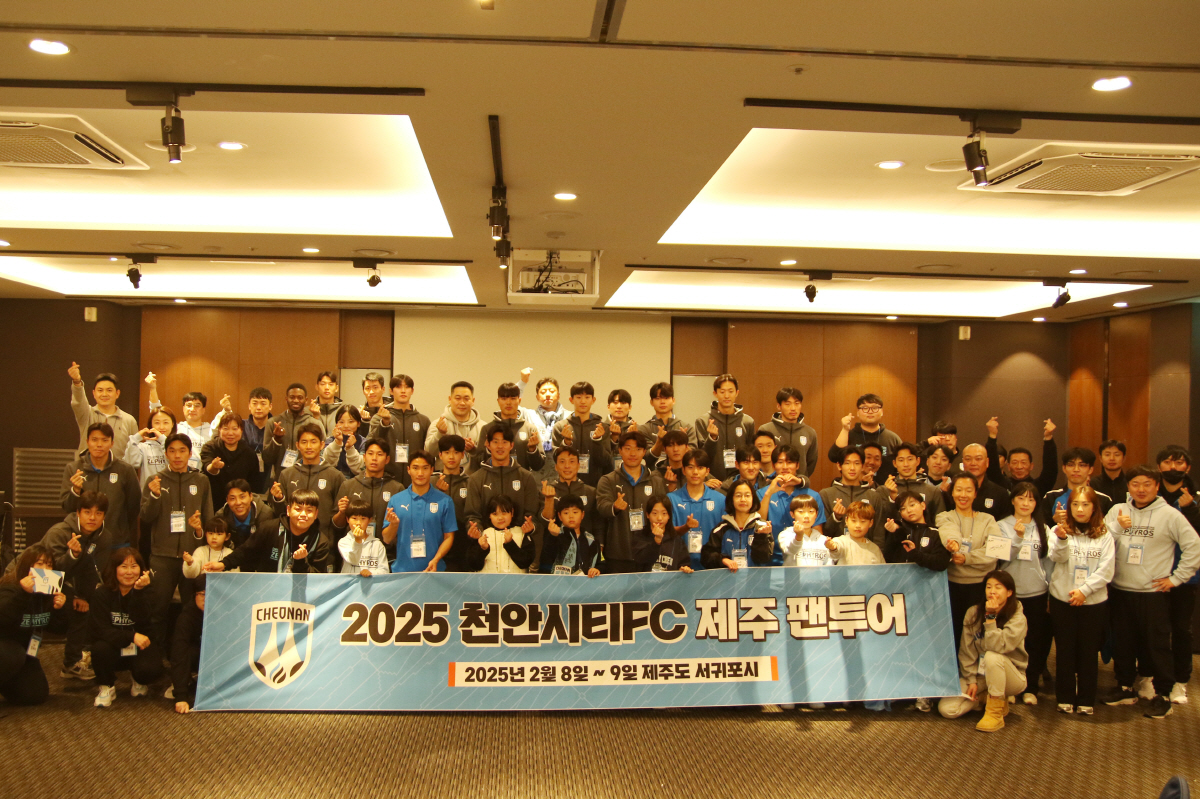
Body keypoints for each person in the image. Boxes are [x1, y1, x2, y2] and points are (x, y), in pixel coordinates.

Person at [1103, 466, 1200, 719]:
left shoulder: (1170, 515)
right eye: (1135, 484)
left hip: (1153, 592)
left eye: (1147, 484)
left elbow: (1194, 546)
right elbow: (1099, 540)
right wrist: (1116, 526)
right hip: (1121, 589)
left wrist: (1176, 578)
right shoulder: (1117, 510)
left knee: (1157, 645)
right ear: (1128, 486)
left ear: (1157, 486)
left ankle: (1163, 694)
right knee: (1123, 643)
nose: (1141, 489)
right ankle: (1125, 687)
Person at [1047, 486, 1115, 715]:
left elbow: (1106, 570)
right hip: (1062, 599)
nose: (1080, 509)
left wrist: (1084, 591)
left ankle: (1086, 699)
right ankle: (1065, 697)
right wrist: (1062, 539)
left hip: (1093, 602)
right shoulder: (1058, 530)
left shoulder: (1105, 534)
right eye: (1075, 504)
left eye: (1085, 504)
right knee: (1065, 650)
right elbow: (1056, 558)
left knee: (1088, 651)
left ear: (1094, 507)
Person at [141, 432, 213, 646]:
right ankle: (154, 656)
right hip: (161, 556)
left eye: (182, 450)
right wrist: (154, 496)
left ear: (190, 453)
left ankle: (189, 656)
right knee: (157, 610)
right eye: (172, 451)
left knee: (192, 609)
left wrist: (199, 533)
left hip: (192, 557)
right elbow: (145, 517)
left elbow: (208, 520)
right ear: (165, 454)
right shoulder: (155, 481)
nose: (177, 455)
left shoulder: (201, 480)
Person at [937, 570, 1028, 732]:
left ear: (1009, 592)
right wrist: (971, 679)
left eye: (998, 587)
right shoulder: (973, 613)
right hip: (981, 675)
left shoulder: (1018, 618)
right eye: (988, 586)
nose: (992, 591)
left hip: (1011, 678)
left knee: (992, 657)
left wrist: (991, 618)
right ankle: (985, 698)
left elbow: (997, 647)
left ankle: (995, 714)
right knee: (948, 709)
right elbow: (966, 650)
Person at [43, 491, 112, 681]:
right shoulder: (59, 532)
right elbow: (50, 571)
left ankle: (71, 664)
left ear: (104, 516)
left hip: (68, 584)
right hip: (38, 580)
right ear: (78, 513)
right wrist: (72, 555)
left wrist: (82, 597)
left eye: (98, 513)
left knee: (85, 608)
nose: (92, 518)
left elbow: (93, 571)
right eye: (87, 512)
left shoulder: (104, 537)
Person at [995, 482, 1053, 704]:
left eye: (1031, 499)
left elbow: (1048, 563)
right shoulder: (1001, 525)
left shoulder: (1043, 528)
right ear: (1013, 500)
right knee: (1009, 642)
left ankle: (1031, 687)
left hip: (1037, 592)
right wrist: (1018, 538)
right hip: (1010, 595)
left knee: (1035, 642)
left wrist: (1050, 591)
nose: (1026, 503)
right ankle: (1010, 687)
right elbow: (1000, 557)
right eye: (1021, 498)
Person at [84, 548, 163, 708]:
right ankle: (106, 686)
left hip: (140, 646)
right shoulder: (102, 594)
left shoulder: (149, 592)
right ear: (114, 569)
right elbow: (100, 630)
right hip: (112, 645)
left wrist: (138, 592)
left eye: (134, 566)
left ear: (141, 569)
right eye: (124, 566)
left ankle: (138, 679)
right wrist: (130, 636)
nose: (129, 572)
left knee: (151, 670)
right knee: (99, 649)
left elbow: (145, 623)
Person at [1155, 446, 1200, 705]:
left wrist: (1191, 508)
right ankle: (1151, 677)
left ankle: (1181, 681)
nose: (1173, 467)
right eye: (1168, 462)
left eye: (1179, 462)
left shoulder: (1196, 497)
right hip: (1153, 574)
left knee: (1181, 630)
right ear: (1159, 466)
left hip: (1185, 576)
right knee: (1154, 629)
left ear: (1188, 468)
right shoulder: (1149, 495)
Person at [938, 472, 1001, 649]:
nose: (963, 495)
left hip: (980, 586)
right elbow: (948, 531)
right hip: (951, 585)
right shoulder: (945, 516)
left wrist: (967, 557)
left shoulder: (988, 520)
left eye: (968, 490)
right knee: (953, 633)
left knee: (977, 634)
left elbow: (995, 551)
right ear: (952, 492)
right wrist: (954, 544)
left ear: (975, 493)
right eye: (958, 490)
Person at [0, 543, 66, 705]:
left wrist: (59, 609)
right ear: (27, 566)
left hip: (25, 650)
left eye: (49, 565)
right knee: (13, 655)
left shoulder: (48, 593)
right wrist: (23, 594)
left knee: (35, 694)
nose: (45, 569)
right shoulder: (10, 587)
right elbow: (3, 620)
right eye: (40, 564)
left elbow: (60, 630)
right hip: (5, 646)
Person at [205, 489, 331, 574]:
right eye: (298, 509)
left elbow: (317, 579)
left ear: (316, 514)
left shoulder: (321, 541)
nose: (303, 514)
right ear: (288, 510)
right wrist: (223, 564)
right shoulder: (269, 528)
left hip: (300, 598)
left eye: (309, 510)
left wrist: (301, 561)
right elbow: (246, 551)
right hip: (267, 591)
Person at [597, 431, 668, 574]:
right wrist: (614, 507)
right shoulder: (608, 480)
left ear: (644, 452)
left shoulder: (656, 481)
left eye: (638, 449)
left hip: (649, 551)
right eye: (628, 448)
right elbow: (601, 507)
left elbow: (665, 512)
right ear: (620, 450)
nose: (633, 453)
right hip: (618, 554)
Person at [61, 422, 141, 549]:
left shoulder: (125, 470)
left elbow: (134, 507)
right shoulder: (73, 469)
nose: (99, 444)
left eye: (104, 440)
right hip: (82, 541)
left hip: (116, 542)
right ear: (87, 442)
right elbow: (67, 507)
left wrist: (120, 528)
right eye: (94, 440)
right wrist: (75, 491)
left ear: (112, 443)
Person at [383, 450, 457, 572]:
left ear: (432, 470)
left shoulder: (445, 501)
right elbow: (386, 539)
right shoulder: (396, 500)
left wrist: (436, 559)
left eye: (425, 468)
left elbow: (449, 537)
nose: (420, 473)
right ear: (408, 470)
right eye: (415, 468)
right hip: (402, 571)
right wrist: (394, 524)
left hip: (434, 570)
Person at [534, 446, 603, 574]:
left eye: (571, 462)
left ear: (578, 465)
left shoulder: (591, 491)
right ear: (556, 466)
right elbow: (544, 522)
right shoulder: (548, 490)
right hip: (555, 556)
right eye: (562, 462)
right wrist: (549, 499)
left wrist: (600, 546)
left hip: (584, 553)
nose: (567, 466)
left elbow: (598, 524)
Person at [330, 439, 403, 560]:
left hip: (386, 554)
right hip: (354, 552)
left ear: (387, 459)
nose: (374, 458)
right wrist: (342, 512)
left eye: (379, 454)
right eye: (370, 453)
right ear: (364, 457)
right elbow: (337, 525)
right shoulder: (348, 486)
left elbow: (400, 527)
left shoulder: (396, 488)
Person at [269, 423, 345, 534]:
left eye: (313, 442)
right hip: (292, 537)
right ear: (298, 445)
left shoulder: (335, 476)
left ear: (322, 445)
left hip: (324, 538)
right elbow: (281, 515)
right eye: (304, 442)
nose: (309, 446)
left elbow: (338, 517)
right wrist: (279, 499)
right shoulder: (286, 475)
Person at [758, 446, 825, 566]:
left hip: (804, 559)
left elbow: (817, 532)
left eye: (789, 462)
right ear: (773, 465)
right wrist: (768, 494)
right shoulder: (762, 493)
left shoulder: (812, 495)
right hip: (770, 559)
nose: (785, 467)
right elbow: (759, 523)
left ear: (797, 465)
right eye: (780, 462)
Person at [465, 424, 540, 532]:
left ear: (511, 445)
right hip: (486, 540)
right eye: (495, 442)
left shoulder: (526, 477)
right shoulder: (476, 479)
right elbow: (472, 516)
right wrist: (477, 531)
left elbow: (532, 514)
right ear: (488, 444)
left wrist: (530, 526)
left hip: (519, 538)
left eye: (504, 442)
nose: (500, 446)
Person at [691, 373, 755, 482]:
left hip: (741, 481)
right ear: (715, 393)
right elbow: (700, 457)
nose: (726, 396)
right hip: (712, 482)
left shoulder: (747, 422)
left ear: (737, 393)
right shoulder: (703, 421)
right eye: (722, 392)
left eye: (730, 391)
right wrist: (712, 439)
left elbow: (751, 455)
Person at [818, 446, 887, 546]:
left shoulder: (873, 496)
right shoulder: (826, 494)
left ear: (862, 466)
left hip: (866, 552)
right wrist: (835, 518)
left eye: (857, 463)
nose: (852, 468)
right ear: (839, 466)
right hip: (835, 551)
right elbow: (822, 533)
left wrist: (877, 553)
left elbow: (878, 534)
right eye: (847, 463)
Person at [370, 374, 431, 485]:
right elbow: (371, 444)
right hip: (386, 480)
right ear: (391, 391)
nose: (403, 391)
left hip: (415, 479)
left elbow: (428, 452)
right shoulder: (379, 417)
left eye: (407, 387)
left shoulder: (423, 420)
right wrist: (384, 423)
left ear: (412, 391)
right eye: (398, 387)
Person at [668, 450, 724, 570]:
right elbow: (668, 534)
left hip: (713, 567)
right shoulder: (671, 499)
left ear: (707, 471)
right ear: (683, 470)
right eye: (690, 467)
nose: (695, 472)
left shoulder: (720, 500)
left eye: (700, 467)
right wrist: (685, 527)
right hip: (680, 567)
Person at [68, 361, 138, 455]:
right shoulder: (87, 414)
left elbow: (134, 452)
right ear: (94, 393)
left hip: (118, 465)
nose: (104, 394)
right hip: (88, 464)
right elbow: (79, 401)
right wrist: (77, 382)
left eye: (109, 390)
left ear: (117, 393)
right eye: (100, 390)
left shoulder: (129, 420)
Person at [701, 479, 773, 571]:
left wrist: (761, 537)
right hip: (727, 579)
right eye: (738, 495)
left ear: (753, 498)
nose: (743, 499)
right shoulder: (721, 529)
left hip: (756, 579)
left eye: (747, 495)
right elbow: (706, 557)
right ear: (731, 499)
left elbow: (764, 559)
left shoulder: (762, 527)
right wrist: (722, 560)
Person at [551, 381, 612, 487]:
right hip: (567, 485)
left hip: (595, 484)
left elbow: (606, 462)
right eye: (578, 397)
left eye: (587, 397)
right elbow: (556, 459)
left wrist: (597, 441)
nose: (583, 401)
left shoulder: (602, 427)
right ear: (571, 400)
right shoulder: (561, 427)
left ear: (593, 400)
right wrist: (566, 443)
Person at [213, 387, 274, 489]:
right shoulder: (240, 426)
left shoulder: (276, 427)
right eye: (254, 403)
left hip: (270, 477)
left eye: (263, 403)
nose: (258, 407)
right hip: (243, 477)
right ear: (249, 406)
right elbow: (217, 435)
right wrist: (227, 411)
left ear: (270, 406)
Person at [262, 383, 324, 481]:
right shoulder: (273, 422)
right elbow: (267, 459)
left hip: (309, 479)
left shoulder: (315, 423)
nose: (296, 400)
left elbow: (322, 454)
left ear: (306, 400)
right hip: (280, 478)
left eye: (300, 398)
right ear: (286, 399)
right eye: (292, 397)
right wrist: (276, 440)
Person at [200, 412, 262, 506]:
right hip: (213, 501)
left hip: (240, 504)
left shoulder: (249, 453)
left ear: (241, 430)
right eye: (226, 429)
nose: (230, 433)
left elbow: (254, 483)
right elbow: (207, 468)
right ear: (219, 430)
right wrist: (214, 467)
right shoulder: (210, 447)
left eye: (235, 429)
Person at [985, 416, 1058, 495]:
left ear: (1031, 466)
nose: (1019, 467)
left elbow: (1050, 470)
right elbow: (992, 468)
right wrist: (992, 435)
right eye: (1015, 462)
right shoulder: (1001, 485)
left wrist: (1048, 438)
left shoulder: (1039, 486)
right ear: (1008, 466)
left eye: (1023, 462)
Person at [756, 387, 819, 477]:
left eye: (797, 403)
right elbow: (758, 457)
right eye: (787, 404)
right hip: (771, 482)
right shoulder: (766, 429)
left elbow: (811, 463)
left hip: (798, 482)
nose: (793, 408)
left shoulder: (810, 433)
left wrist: (801, 479)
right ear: (779, 406)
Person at [883, 491, 952, 572]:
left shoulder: (935, 532)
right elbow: (887, 558)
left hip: (928, 579)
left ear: (923, 505)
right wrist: (896, 531)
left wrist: (916, 555)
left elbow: (942, 563)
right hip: (901, 578)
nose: (908, 510)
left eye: (912, 505)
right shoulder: (899, 531)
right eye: (903, 509)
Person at [435, 436, 476, 572]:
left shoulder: (471, 482)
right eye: (447, 452)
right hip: (436, 544)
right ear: (440, 455)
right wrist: (438, 493)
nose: (451, 457)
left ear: (463, 455)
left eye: (456, 452)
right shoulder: (431, 482)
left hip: (463, 546)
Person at [425, 381, 484, 472]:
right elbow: (429, 453)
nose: (462, 403)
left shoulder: (482, 427)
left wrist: (473, 450)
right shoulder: (438, 424)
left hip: (473, 479)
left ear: (473, 401)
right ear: (450, 399)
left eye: (466, 399)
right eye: (458, 398)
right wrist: (439, 434)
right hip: (444, 479)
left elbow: (487, 459)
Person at [1043, 447, 1112, 525]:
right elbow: (1041, 527)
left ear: (1090, 469)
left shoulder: (1103, 499)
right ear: (1064, 468)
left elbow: (1109, 529)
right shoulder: (1051, 497)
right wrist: (1054, 521)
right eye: (1071, 465)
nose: (1076, 469)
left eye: (1082, 465)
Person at [828, 393, 902, 464]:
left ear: (882, 411)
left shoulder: (892, 438)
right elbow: (834, 457)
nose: (870, 411)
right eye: (865, 408)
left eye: (875, 408)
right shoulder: (848, 436)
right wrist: (845, 429)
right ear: (858, 412)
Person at [471, 495, 536, 574]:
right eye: (495, 514)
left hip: (516, 580)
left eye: (504, 513)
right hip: (488, 581)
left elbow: (526, 562)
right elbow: (474, 565)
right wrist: (483, 549)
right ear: (489, 516)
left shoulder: (522, 533)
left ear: (512, 512)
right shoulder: (483, 535)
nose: (500, 518)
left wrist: (510, 544)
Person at [170, 575, 206, 713]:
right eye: (203, 594)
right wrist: (180, 696)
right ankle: (182, 682)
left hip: (217, 658)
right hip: (196, 656)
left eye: (212, 594)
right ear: (194, 595)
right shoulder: (186, 617)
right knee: (186, 652)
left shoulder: (227, 613)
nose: (207, 599)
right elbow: (179, 653)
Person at [541, 495, 601, 577]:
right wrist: (554, 536)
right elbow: (546, 559)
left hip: (585, 583)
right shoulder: (555, 535)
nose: (571, 516)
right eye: (566, 513)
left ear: (582, 514)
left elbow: (601, 563)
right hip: (558, 582)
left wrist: (596, 569)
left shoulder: (592, 540)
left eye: (575, 512)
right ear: (560, 516)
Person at [889, 442, 945, 524]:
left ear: (918, 461)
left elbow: (941, 521)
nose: (906, 464)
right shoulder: (884, 490)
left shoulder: (933, 491)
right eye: (901, 460)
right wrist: (892, 499)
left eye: (910, 459)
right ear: (894, 463)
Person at [215, 479, 276, 556]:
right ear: (227, 500)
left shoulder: (265, 515)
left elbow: (269, 547)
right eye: (232, 498)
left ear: (251, 496)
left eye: (242, 497)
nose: (238, 502)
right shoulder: (221, 517)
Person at [633, 494, 693, 572]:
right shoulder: (639, 537)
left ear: (669, 516)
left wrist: (683, 569)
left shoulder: (676, 540)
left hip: (669, 580)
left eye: (664, 513)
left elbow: (684, 564)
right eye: (655, 513)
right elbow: (640, 560)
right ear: (648, 515)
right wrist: (656, 542)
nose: (659, 518)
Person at [123, 405, 177, 489]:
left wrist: (163, 439)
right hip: (148, 493)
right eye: (157, 423)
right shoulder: (144, 447)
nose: (161, 427)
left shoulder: (178, 446)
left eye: (166, 422)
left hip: (172, 492)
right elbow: (131, 463)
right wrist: (135, 438)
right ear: (151, 425)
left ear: (172, 424)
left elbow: (174, 462)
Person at [958, 443, 1013, 521]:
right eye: (968, 459)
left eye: (978, 459)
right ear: (963, 462)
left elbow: (1005, 524)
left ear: (987, 462)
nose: (973, 463)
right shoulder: (953, 491)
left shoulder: (1000, 494)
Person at [523, 374, 568, 467]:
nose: (547, 394)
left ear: (558, 395)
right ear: (537, 397)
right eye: (543, 392)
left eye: (552, 391)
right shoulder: (529, 415)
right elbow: (511, 402)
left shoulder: (569, 417)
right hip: (537, 468)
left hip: (564, 469)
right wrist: (522, 382)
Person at [779, 494, 833, 567]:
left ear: (816, 514)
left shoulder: (823, 539)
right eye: (801, 512)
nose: (806, 516)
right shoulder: (786, 535)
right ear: (792, 514)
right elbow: (791, 550)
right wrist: (798, 536)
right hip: (793, 574)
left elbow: (829, 565)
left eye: (811, 511)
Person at [823, 501, 885, 565]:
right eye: (853, 521)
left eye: (863, 521)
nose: (858, 525)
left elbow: (883, 570)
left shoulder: (875, 549)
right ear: (846, 520)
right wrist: (833, 547)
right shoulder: (842, 541)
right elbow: (836, 551)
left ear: (870, 523)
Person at [338, 499, 390, 576]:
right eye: (354, 518)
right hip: (351, 583)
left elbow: (385, 571)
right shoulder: (344, 542)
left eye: (363, 519)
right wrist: (358, 541)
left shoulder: (377, 544)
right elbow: (353, 560)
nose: (358, 523)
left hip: (371, 583)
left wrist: (371, 573)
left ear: (369, 520)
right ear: (347, 519)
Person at [645, 382, 689, 458]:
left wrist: (683, 441)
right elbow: (646, 457)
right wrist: (659, 442)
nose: (662, 402)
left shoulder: (686, 427)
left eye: (666, 398)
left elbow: (693, 457)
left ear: (673, 400)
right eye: (658, 398)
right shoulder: (644, 429)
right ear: (651, 402)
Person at [322, 404, 366, 478]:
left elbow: (361, 469)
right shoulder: (329, 441)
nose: (346, 425)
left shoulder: (363, 442)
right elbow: (325, 464)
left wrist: (350, 448)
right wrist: (337, 443)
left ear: (358, 423)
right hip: (332, 480)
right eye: (341, 422)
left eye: (351, 422)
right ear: (336, 424)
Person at [655, 429, 691, 494]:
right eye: (670, 445)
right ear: (665, 449)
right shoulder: (656, 476)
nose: (675, 449)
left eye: (679, 445)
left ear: (686, 447)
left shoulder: (697, 473)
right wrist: (669, 489)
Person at [356, 372, 389, 439]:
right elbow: (360, 441)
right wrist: (364, 422)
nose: (371, 392)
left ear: (383, 389)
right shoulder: (359, 414)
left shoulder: (392, 410)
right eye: (367, 388)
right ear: (363, 391)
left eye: (375, 387)